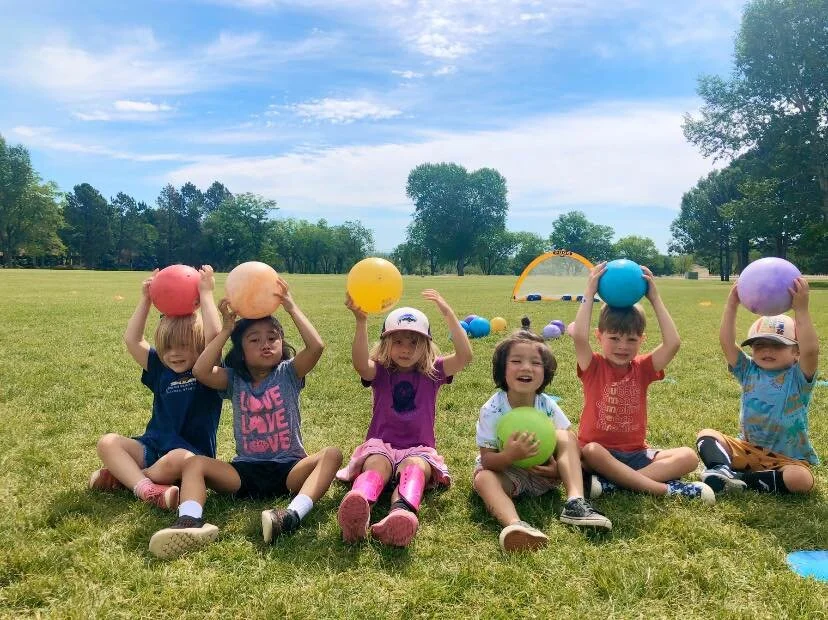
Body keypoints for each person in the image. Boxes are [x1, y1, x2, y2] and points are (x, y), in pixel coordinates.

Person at [148, 281, 342, 559]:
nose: (266, 344)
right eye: (254, 340)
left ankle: (291, 516)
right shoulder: (234, 380)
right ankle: (189, 521)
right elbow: (202, 371)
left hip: (290, 470)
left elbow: (316, 347)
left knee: (332, 454)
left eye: (273, 338)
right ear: (240, 351)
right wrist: (226, 329)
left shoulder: (289, 373)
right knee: (194, 462)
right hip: (245, 473)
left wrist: (290, 305)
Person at [336, 289, 473, 547]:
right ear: (386, 344)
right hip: (382, 443)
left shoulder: (434, 372)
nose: (406, 349)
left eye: (414, 342)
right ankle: (359, 504)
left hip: (417, 448)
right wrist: (361, 321)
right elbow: (359, 363)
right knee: (376, 463)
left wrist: (448, 314)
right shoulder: (380, 371)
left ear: (426, 346)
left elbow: (465, 356)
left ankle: (401, 513)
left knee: (415, 468)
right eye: (398, 342)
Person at [573, 262, 714, 504]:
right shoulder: (593, 366)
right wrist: (589, 292)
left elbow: (673, 344)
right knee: (592, 450)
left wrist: (655, 298)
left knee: (689, 457)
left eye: (631, 339)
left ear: (642, 340)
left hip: (636, 454)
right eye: (614, 338)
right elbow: (578, 335)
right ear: (599, 336)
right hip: (598, 455)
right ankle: (663, 489)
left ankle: (614, 484)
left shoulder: (642, 368)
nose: (622, 346)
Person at [88, 266, 223, 510]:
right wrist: (146, 300)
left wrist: (206, 294)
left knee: (179, 459)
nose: (174, 354)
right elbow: (133, 340)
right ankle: (148, 489)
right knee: (108, 443)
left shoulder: (205, 370)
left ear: (200, 347)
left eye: (183, 345)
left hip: (188, 457)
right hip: (152, 446)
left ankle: (126, 477)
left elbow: (214, 337)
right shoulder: (160, 368)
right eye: (167, 347)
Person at [473, 330, 612, 553]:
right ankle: (515, 525)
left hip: (543, 474)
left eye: (535, 363)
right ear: (502, 370)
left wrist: (557, 469)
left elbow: (570, 442)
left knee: (565, 436)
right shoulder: (493, 409)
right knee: (483, 479)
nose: (526, 367)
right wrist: (510, 455)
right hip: (508, 475)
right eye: (516, 361)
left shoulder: (546, 404)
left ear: (545, 373)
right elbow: (488, 460)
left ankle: (575, 502)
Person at [696, 278, 819, 495]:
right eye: (760, 345)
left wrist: (802, 310)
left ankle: (742, 480)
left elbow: (811, 351)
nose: (767, 351)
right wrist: (732, 305)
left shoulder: (797, 377)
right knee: (706, 434)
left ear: (796, 353)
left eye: (777, 345)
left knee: (801, 479)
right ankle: (720, 469)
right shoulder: (748, 370)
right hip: (747, 449)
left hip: (786, 459)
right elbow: (726, 342)